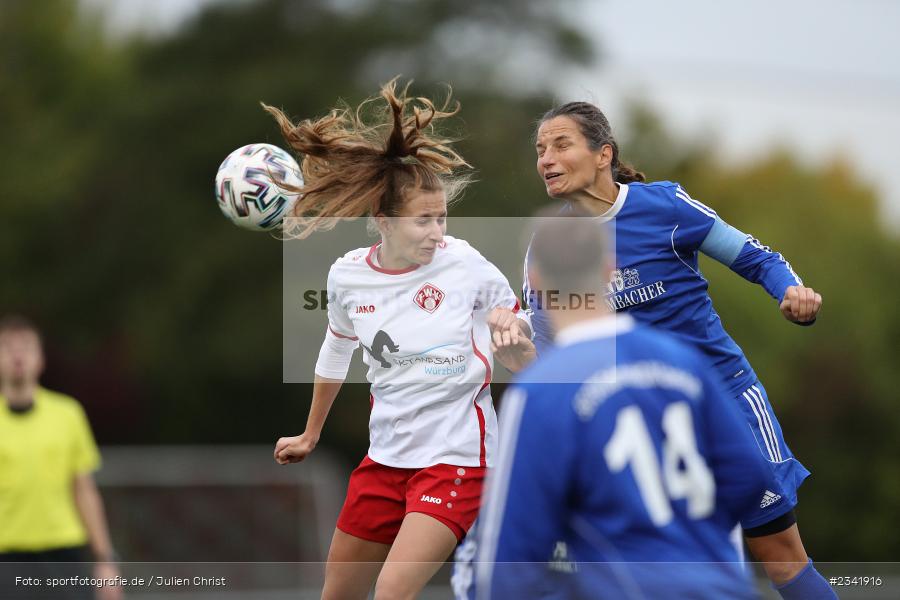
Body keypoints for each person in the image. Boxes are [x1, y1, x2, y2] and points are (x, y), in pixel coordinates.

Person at [522, 102, 834, 600]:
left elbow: (756, 258)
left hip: (725, 400)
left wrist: (792, 294)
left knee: (779, 555)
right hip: (637, 423)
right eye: (540, 150)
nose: (546, 159)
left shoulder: (664, 206)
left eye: (560, 144)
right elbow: (548, 349)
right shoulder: (551, 244)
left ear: (603, 154)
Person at [266, 79, 535, 600]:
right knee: (337, 595)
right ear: (383, 221)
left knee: (392, 593)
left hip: (457, 459)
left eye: (442, 217)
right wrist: (309, 434)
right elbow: (335, 350)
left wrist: (514, 333)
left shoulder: (466, 266)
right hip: (385, 460)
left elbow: (518, 324)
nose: (437, 232)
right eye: (423, 220)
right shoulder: (347, 277)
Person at [474, 211, 772, 599]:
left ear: (534, 280)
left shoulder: (539, 390)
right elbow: (751, 479)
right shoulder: (682, 359)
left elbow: (510, 558)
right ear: (609, 268)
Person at [0, 315, 122, 600]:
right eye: (7, 347)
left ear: (40, 359)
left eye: (26, 348)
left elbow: (84, 490)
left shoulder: (68, 415)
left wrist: (105, 561)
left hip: (63, 555)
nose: (18, 356)